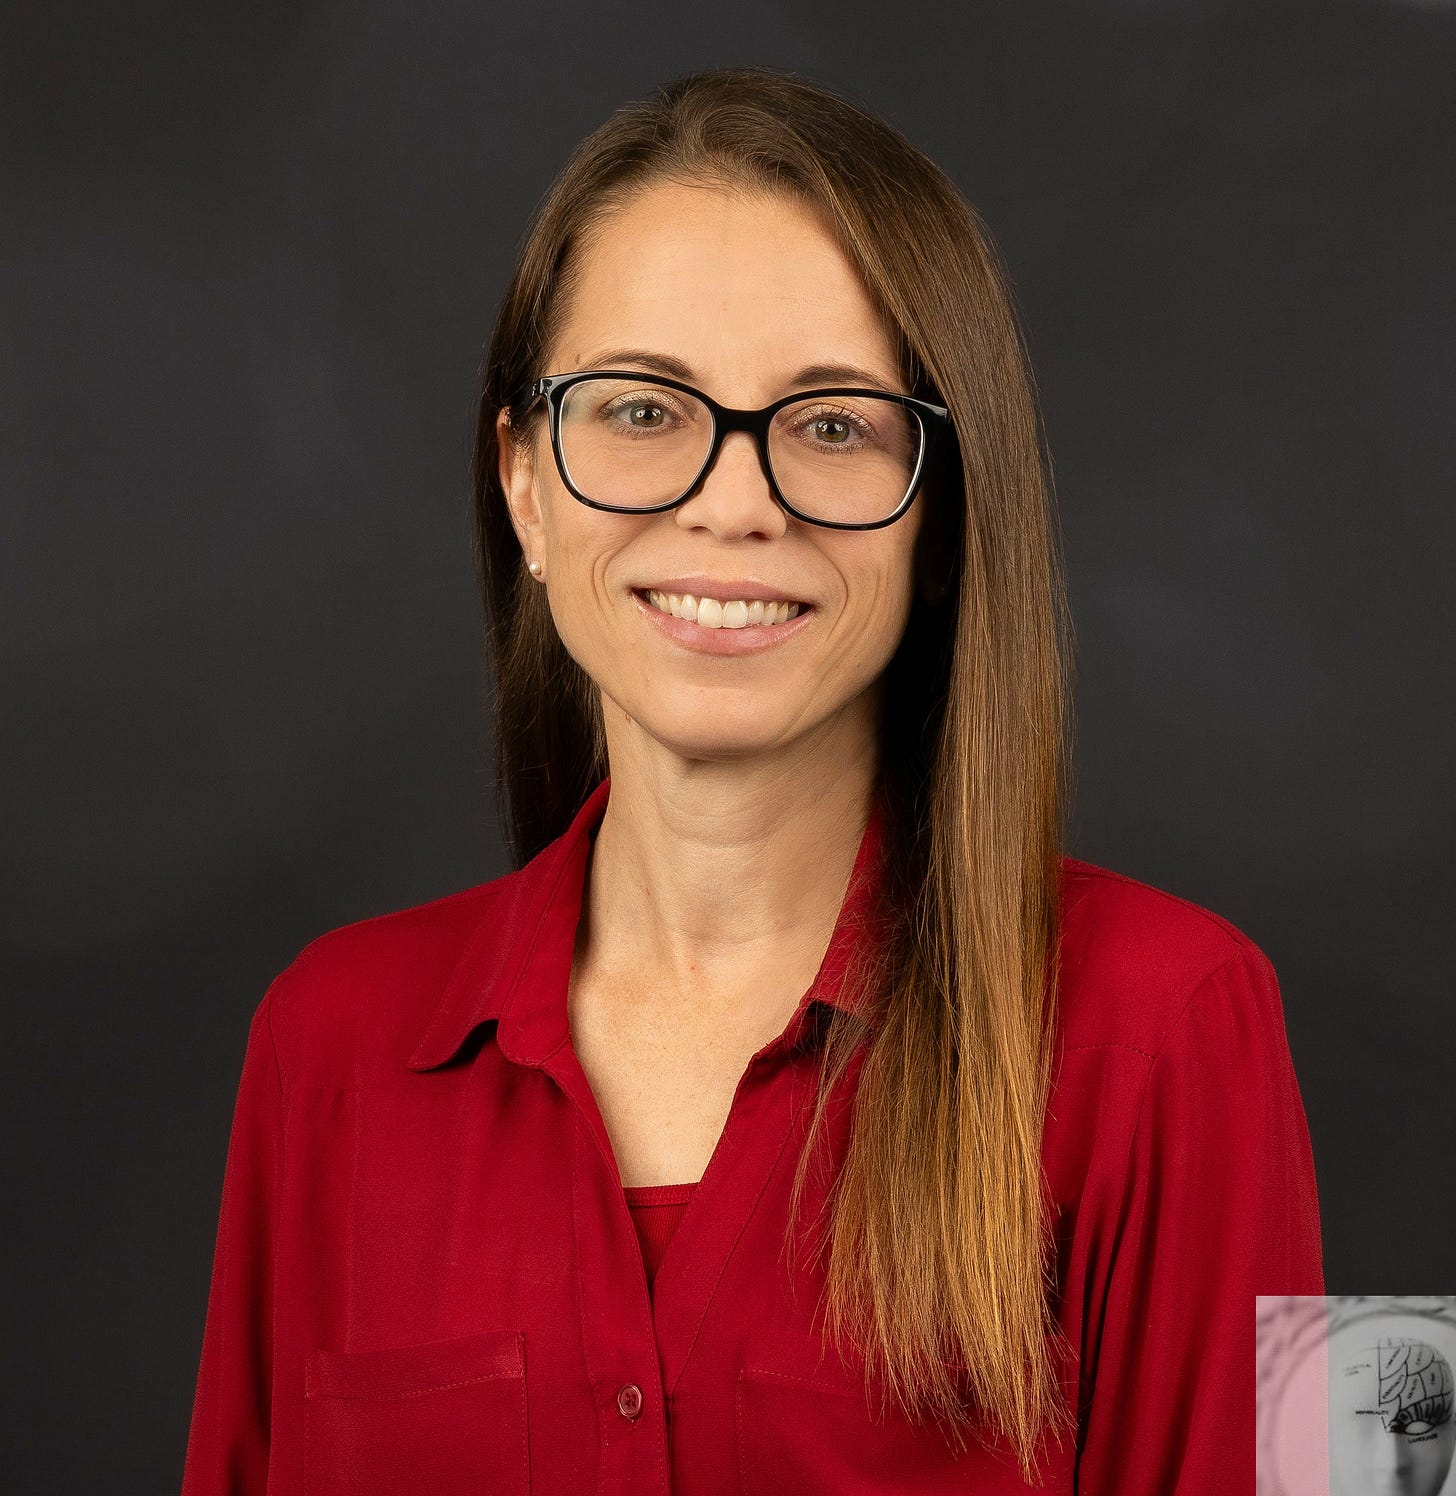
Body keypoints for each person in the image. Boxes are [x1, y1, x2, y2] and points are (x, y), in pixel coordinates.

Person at [180, 65, 1323, 1494]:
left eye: (833, 424)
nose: (734, 501)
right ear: (524, 486)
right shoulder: (326, 1043)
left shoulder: (1184, 1019)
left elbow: (1377, 1445)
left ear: (944, 511)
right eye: (642, 412)